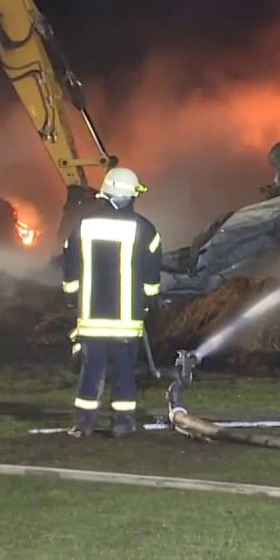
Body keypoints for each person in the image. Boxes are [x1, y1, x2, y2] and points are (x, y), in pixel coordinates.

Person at [61, 167, 162, 438]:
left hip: (91, 318)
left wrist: (73, 299)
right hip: (127, 321)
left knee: (91, 371)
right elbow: (152, 278)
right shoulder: (145, 229)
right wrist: (150, 305)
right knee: (125, 371)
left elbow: (70, 267)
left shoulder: (83, 226)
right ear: (127, 197)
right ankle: (123, 424)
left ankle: (83, 424)